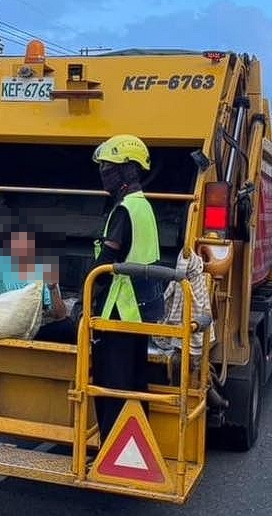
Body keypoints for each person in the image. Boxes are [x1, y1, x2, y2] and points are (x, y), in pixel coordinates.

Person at [89, 134, 163, 442]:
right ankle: (135, 447)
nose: (104, 173)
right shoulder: (144, 207)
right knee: (135, 383)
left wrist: (87, 294)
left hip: (119, 312)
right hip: (140, 314)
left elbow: (107, 261)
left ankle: (112, 453)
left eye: (109, 167)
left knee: (111, 387)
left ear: (126, 171)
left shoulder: (124, 211)